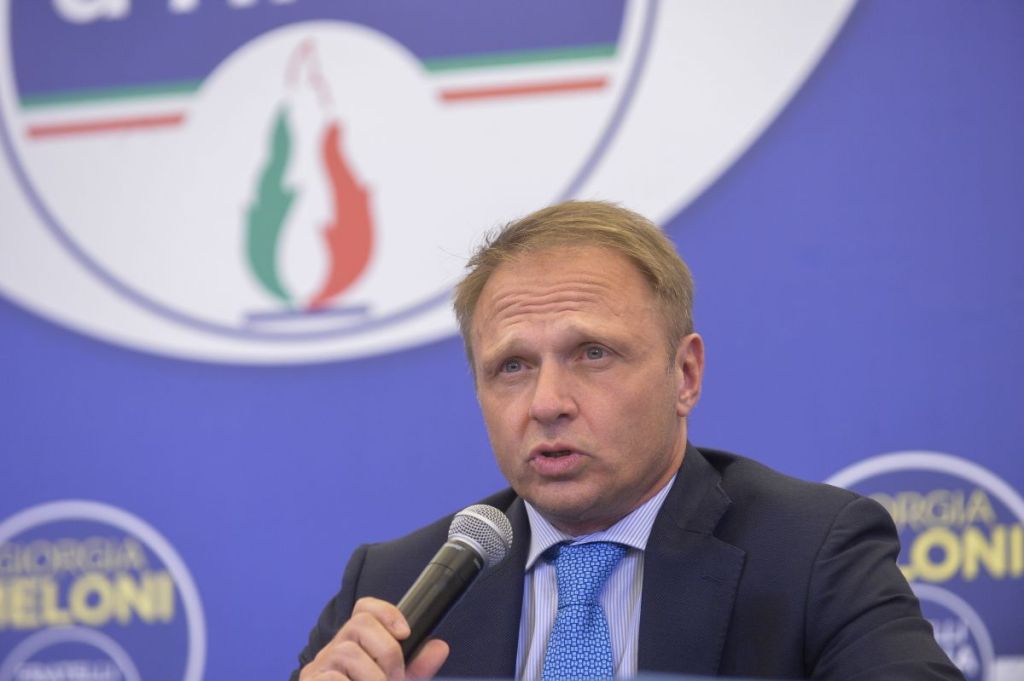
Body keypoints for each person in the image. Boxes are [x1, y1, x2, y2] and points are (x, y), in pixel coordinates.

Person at [291, 201, 963, 680]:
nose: (547, 402)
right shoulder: (392, 588)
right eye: (512, 366)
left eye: (593, 353)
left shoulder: (810, 552)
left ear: (685, 374)